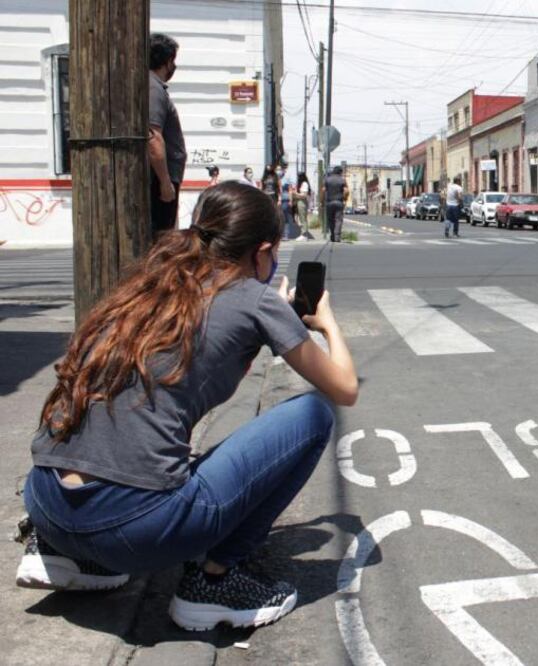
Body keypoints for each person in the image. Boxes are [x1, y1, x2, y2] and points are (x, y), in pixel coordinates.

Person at [15, 182, 358, 631]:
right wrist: (327, 324)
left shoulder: (147, 286)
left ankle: (64, 552)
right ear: (262, 251)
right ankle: (214, 581)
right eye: (273, 254)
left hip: (46, 501)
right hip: (132, 528)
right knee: (313, 415)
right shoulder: (254, 299)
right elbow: (344, 388)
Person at [148, 33, 187, 235]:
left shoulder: (155, 87)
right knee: (162, 237)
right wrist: (165, 181)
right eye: (173, 60)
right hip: (159, 179)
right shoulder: (153, 88)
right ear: (167, 61)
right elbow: (153, 137)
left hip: (163, 176)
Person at [323, 165, 347, 242]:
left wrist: (322, 200)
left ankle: (332, 235)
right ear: (340, 172)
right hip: (339, 202)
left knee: (330, 220)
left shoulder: (327, 180)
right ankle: (337, 236)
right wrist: (344, 199)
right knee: (338, 220)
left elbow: (323, 190)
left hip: (329, 202)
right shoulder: (342, 180)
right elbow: (346, 191)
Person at [278, 163, 296, 240]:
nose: (279, 171)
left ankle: (286, 234)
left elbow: (290, 190)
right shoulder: (275, 178)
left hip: (285, 199)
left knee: (284, 215)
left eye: (280, 169)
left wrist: (290, 200)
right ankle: (279, 234)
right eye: (277, 169)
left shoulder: (287, 178)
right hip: (276, 199)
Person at [294, 172, 312, 241]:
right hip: (300, 201)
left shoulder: (304, 184)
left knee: (303, 219)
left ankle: (304, 234)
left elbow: (304, 195)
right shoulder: (303, 184)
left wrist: (296, 194)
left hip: (302, 202)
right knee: (301, 218)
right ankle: (303, 234)